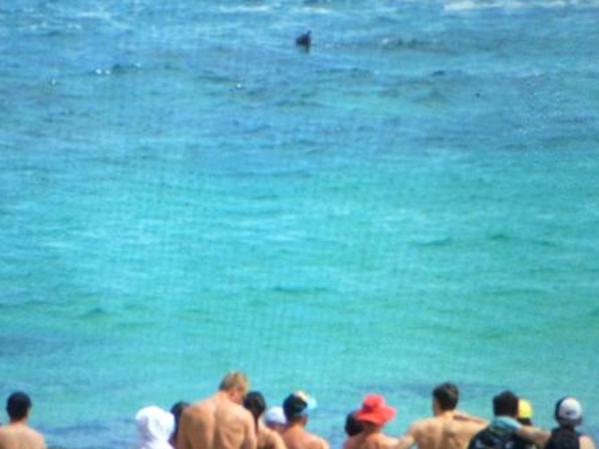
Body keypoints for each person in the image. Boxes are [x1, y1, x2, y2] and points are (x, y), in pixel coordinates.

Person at [176, 372, 256, 449]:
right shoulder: (244, 416)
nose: (242, 403)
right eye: (243, 397)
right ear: (235, 391)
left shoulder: (189, 413)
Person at [396, 383, 486, 449]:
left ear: (436, 402)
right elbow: (494, 427)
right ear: (456, 403)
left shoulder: (419, 426)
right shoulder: (470, 428)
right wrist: (468, 417)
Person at [516, 397, 596, 449]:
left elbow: (513, 426)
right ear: (579, 420)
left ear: (556, 416)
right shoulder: (586, 443)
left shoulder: (543, 437)